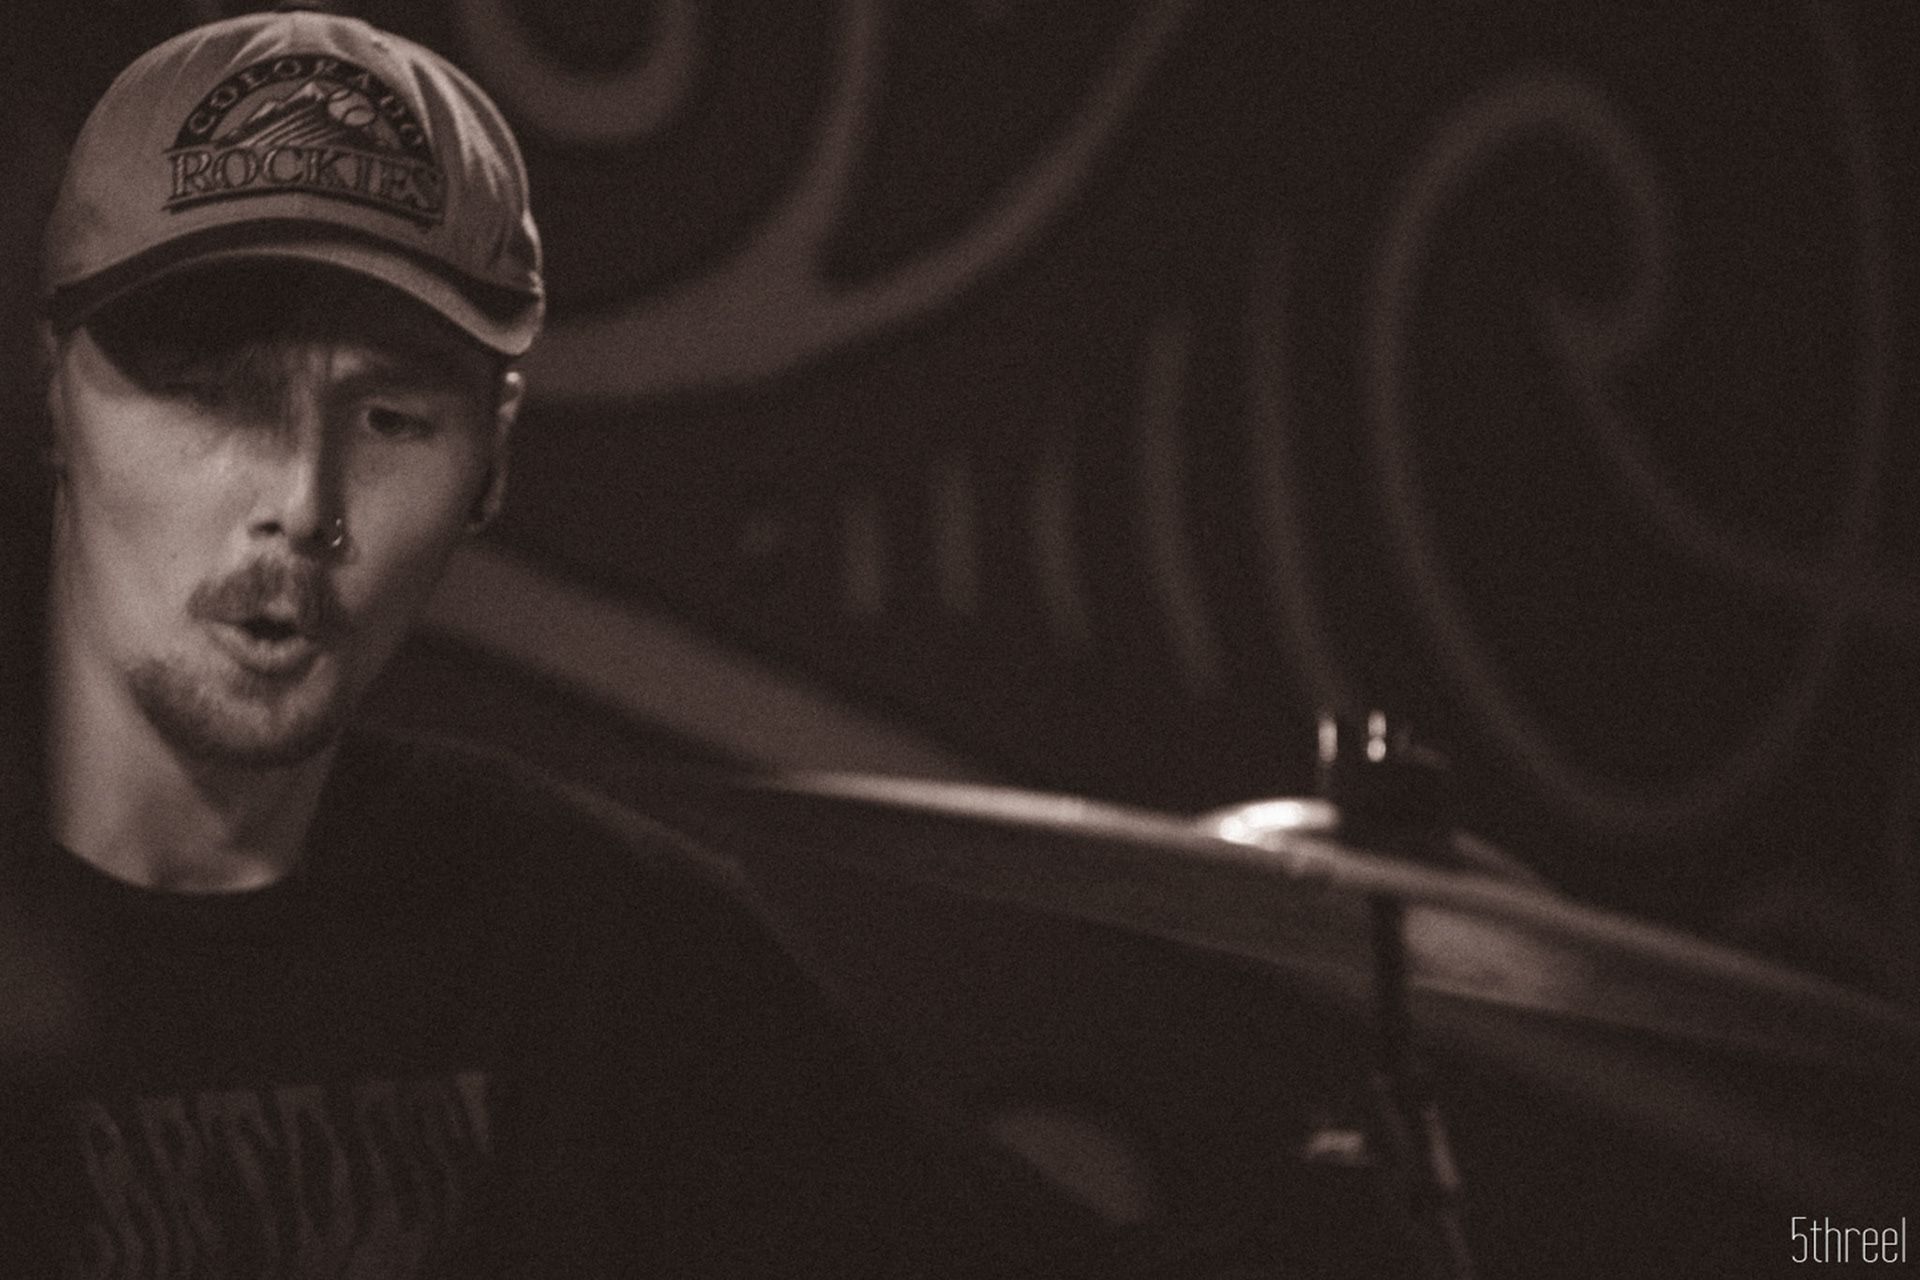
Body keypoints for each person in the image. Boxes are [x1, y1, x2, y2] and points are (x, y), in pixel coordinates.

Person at [0, 6, 1116, 1276]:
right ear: (50, 386)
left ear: (494, 455)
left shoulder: (603, 948)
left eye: (394, 418)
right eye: (216, 393)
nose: (304, 503)